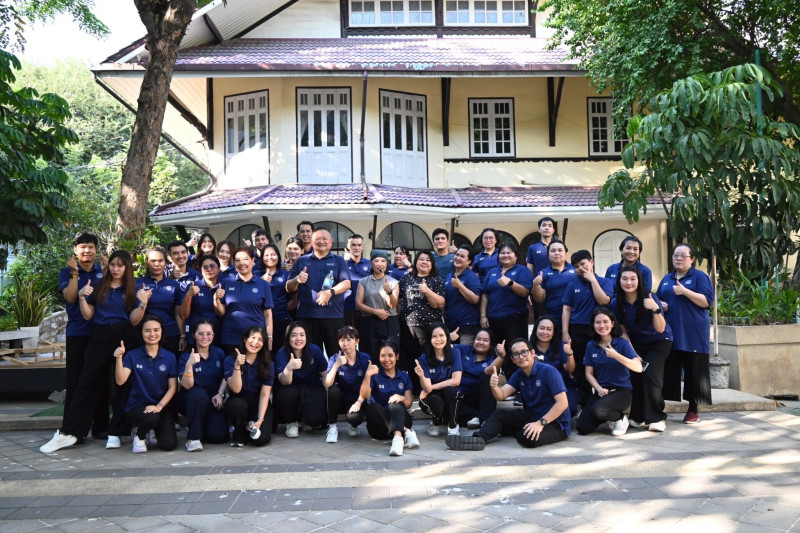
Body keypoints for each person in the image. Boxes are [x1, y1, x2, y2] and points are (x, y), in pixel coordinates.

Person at [40, 250, 147, 454]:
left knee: (121, 385)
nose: (116, 269)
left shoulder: (133, 289)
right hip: (100, 335)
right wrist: (81, 297)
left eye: (120, 265)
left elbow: (134, 321)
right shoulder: (99, 285)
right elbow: (88, 315)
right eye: (113, 265)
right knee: (86, 383)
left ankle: (116, 432)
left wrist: (143, 304)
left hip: (124, 337)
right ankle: (69, 432)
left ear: (127, 268)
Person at [446, 337, 570, 451]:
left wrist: (540, 423)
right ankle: (478, 439)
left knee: (528, 438)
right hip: (531, 417)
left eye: (524, 352)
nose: (521, 356)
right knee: (499, 415)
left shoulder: (549, 371)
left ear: (532, 353)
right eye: (516, 354)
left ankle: (515, 430)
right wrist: (494, 386)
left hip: (555, 423)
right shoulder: (519, 374)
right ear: (513, 359)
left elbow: (563, 403)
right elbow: (501, 395)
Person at [656, 244, 714, 424]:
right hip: (671, 333)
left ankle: (693, 410)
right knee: (667, 371)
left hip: (693, 333)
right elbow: (658, 298)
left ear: (692, 259)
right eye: (675, 255)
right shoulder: (667, 279)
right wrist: (661, 305)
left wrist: (684, 291)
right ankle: (659, 410)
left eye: (683, 256)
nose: (678, 259)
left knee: (694, 372)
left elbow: (707, 301)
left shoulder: (699, 277)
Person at [58, 231, 106, 439]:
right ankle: (73, 430)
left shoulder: (102, 271)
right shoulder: (66, 273)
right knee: (75, 381)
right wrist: (75, 273)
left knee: (101, 381)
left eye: (91, 247)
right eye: (83, 247)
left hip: (100, 332)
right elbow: (70, 298)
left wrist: (107, 271)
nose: (87, 250)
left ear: (96, 250)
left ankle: (101, 427)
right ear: (75, 250)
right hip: (77, 333)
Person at [612, 266, 672, 431]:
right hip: (636, 342)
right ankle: (637, 417)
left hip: (659, 341)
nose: (629, 282)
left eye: (633, 279)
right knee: (636, 376)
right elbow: (623, 331)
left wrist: (655, 309)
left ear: (639, 281)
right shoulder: (616, 302)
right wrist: (632, 353)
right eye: (625, 279)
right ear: (619, 281)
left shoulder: (650, 297)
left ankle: (657, 418)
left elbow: (660, 328)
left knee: (650, 375)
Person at [115, 315, 178, 453]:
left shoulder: (170, 357)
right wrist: (119, 358)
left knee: (168, 444)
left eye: (156, 330)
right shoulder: (132, 355)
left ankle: (152, 429)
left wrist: (159, 406)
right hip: (137, 406)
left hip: (160, 406)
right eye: (147, 330)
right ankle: (140, 435)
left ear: (162, 332)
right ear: (141, 332)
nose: (152, 334)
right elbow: (120, 380)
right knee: (151, 417)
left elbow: (173, 387)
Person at [577, 307, 643, 437]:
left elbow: (638, 367)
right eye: (597, 322)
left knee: (598, 411)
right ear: (593, 325)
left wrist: (616, 356)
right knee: (582, 428)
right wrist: (598, 388)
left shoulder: (622, 343)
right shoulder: (591, 345)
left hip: (621, 392)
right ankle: (607, 417)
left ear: (612, 323)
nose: (602, 326)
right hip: (602, 391)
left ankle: (619, 419)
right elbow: (588, 373)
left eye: (605, 321)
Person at [287, 227, 351, 356]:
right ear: (311, 242)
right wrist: (297, 279)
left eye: (324, 239)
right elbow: (289, 287)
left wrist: (330, 292)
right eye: (317, 239)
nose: (321, 241)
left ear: (331, 242)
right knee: (309, 357)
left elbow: (346, 283)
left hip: (333, 317)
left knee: (337, 356)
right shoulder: (302, 261)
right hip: (307, 317)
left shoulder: (338, 260)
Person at [561, 250, 613, 405]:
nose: (580, 268)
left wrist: (593, 280)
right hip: (577, 329)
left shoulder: (605, 282)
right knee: (581, 366)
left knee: (601, 363)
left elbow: (603, 301)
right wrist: (565, 331)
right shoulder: (572, 285)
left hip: (600, 329)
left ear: (592, 262)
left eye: (583, 264)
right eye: (576, 266)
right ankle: (586, 401)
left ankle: (604, 398)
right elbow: (567, 309)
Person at [479, 242, 533, 378]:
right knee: (500, 353)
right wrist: (483, 315)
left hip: (514, 318)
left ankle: (519, 382)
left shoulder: (523, 271)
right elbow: (485, 295)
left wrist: (510, 283)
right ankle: (508, 382)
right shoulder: (492, 272)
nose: (505, 255)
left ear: (516, 255)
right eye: (502, 253)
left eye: (509, 252)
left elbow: (525, 292)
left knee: (516, 352)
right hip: (493, 319)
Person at [357, 340, 419, 456]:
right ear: (379, 357)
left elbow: (409, 403)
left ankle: (397, 439)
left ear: (397, 356)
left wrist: (401, 398)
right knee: (372, 407)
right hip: (379, 428)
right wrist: (367, 375)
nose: (386, 359)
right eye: (383, 356)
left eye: (390, 355)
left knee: (395, 402)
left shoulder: (404, 376)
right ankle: (405, 432)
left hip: (401, 418)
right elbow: (365, 395)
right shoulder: (375, 374)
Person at [176, 320, 229, 451]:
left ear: (213, 335)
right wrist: (189, 365)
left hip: (212, 398)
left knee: (219, 436)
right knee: (198, 395)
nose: (205, 337)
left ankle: (200, 426)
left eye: (208, 333)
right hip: (191, 398)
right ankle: (193, 438)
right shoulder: (186, 355)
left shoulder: (219, 353)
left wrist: (220, 394)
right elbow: (187, 385)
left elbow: (226, 376)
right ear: (193, 335)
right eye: (201, 333)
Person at [215, 247, 274, 355]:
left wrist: (269, 337)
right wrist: (216, 299)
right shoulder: (226, 282)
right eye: (237, 260)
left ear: (253, 260)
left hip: (255, 339)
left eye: (245, 259)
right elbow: (221, 312)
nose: (241, 263)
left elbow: (268, 314)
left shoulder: (263, 284)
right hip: (231, 337)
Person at [274, 321, 329, 437]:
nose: (298, 339)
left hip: (311, 386)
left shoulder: (314, 350)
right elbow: (284, 381)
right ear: (288, 337)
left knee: (316, 419)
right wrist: (289, 368)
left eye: (302, 335)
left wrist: (329, 393)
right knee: (285, 393)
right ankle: (291, 422)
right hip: (290, 388)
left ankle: (306, 419)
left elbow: (324, 374)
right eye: (294, 335)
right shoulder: (281, 353)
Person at [224, 326, 275, 447]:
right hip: (238, 400)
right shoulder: (230, 360)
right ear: (245, 339)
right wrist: (237, 366)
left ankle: (250, 426)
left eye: (260, 339)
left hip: (259, 402)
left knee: (261, 440)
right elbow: (236, 389)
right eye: (252, 337)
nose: (255, 342)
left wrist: (260, 420)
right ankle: (239, 432)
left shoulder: (268, 363)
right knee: (236, 404)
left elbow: (265, 394)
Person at [322, 326, 371, 442]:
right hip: (339, 400)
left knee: (354, 418)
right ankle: (332, 427)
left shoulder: (365, 358)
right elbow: (327, 384)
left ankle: (353, 425)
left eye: (349, 339)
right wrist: (336, 366)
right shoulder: (335, 358)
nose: (345, 343)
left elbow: (368, 385)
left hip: (357, 399)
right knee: (332, 390)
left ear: (357, 341)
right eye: (342, 340)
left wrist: (359, 402)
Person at [415, 323, 463, 437]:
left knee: (451, 391)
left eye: (441, 335)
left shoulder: (455, 352)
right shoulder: (423, 358)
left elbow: (456, 381)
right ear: (429, 339)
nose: (438, 339)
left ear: (447, 336)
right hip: (431, 396)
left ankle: (453, 425)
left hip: (448, 393)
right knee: (436, 401)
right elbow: (427, 389)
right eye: (434, 336)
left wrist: (432, 387)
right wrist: (421, 376)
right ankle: (436, 421)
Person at [137, 246, 184, 356]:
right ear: (147, 263)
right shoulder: (138, 284)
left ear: (166, 263)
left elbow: (178, 314)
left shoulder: (174, 285)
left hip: (170, 334)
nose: (157, 264)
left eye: (160, 260)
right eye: (153, 261)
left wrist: (183, 336)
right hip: (147, 334)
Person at [356, 250, 400, 362]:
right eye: (376, 261)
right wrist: (376, 312)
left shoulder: (393, 282)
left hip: (389, 321)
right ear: (371, 263)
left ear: (387, 264)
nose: (380, 264)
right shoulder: (363, 282)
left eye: (383, 261)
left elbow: (392, 305)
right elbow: (358, 304)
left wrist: (389, 292)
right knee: (369, 354)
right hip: (369, 321)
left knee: (389, 354)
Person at [531, 317, 578, 417]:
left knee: (570, 409)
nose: (545, 332)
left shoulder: (561, 346)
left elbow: (570, 369)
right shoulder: (529, 348)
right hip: (539, 387)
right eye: (542, 328)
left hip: (563, 386)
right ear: (536, 329)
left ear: (553, 332)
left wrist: (570, 354)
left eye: (549, 329)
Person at [455, 327, 502, 429]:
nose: (481, 342)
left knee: (487, 379)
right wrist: (448, 337)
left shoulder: (492, 360)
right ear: (474, 340)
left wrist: (502, 356)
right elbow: (443, 348)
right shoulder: (464, 349)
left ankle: (485, 421)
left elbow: (488, 371)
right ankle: (478, 417)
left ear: (491, 345)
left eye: (485, 340)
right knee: (449, 403)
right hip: (459, 397)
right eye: (478, 339)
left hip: (478, 399)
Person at [398, 250, 446, 346]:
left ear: (432, 264)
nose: (424, 262)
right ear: (416, 262)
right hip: (407, 327)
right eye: (421, 259)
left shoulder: (437, 279)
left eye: (428, 260)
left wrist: (427, 291)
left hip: (430, 327)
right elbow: (399, 301)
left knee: (428, 353)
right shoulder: (406, 278)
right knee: (409, 354)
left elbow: (440, 304)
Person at [531, 240, 577, 339]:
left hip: (576, 316)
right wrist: (536, 285)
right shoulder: (543, 273)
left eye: (560, 250)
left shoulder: (575, 270)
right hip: (554, 317)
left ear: (566, 254)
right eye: (553, 250)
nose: (557, 253)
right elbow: (540, 298)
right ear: (548, 255)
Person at [179, 254, 223, 345]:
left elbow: (222, 313)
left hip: (218, 336)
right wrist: (188, 296)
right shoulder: (194, 286)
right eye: (205, 267)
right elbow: (183, 315)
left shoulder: (224, 286)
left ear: (219, 268)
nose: (209, 269)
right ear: (200, 270)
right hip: (197, 336)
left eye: (212, 266)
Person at [444, 245, 482, 346]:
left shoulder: (471, 276)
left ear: (469, 261)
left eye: (462, 256)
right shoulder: (449, 276)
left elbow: (475, 299)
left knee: (464, 353)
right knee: (451, 354)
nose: (458, 258)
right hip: (450, 325)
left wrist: (460, 286)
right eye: (457, 255)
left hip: (467, 326)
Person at [260, 244, 292, 351]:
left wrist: (284, 308)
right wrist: (261, 281)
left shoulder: (285, 274)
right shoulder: (256, 274)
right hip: (261, 319)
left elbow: (293, 296)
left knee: (281, 350)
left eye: (273, 254)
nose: (270, 257)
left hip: (282, 318)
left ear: (278, 256)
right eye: (266, 255)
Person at [344, 234, 371, 329]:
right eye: (353, 245)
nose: (356, 248)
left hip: (365, 309)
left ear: (362, 246)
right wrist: (344, 262)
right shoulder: (342, 263)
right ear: (348, 246)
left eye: (359, 245)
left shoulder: (370, 264)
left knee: (364, 337)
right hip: (346, 309)